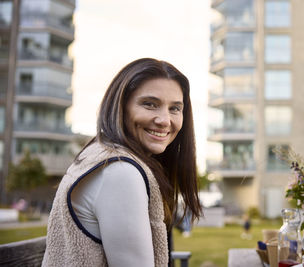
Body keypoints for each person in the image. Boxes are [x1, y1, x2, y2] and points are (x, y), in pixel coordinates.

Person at [42, 58, 202, 267]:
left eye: (175, 109)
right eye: (149, 104)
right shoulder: (120, 173)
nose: (164, 120)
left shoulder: (100, 155)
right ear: (120, 107)